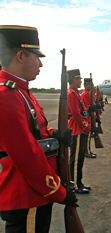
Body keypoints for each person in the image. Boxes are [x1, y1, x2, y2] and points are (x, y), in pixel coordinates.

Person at [0, 25, 77, 232]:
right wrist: (58, 192)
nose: (41, 63)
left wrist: (55, 135)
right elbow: (26, 154)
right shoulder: (7, 95)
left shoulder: (21, 91)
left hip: (37, 191)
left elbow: (36, 134)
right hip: (29, 194)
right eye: (36, 57)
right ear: (20, 56)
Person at [68, 69, 98, 194]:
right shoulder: (71, 94)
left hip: (80, 128)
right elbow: (76, 114)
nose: (81, 81)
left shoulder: (75, 93)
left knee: (80, 158)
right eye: (79, 79)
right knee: (76, 160)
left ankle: (78, 182)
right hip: (77, 128)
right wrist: (88, 127)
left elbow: (81, 110)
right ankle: (75, 184)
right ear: (74, 80)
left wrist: (89, 109)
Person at [81, 78, 97, 158]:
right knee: (88, 137)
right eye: (90, 85)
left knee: (88, 137)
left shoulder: (87, 93)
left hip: (90, 117)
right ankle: (87, 151)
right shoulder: (86, 94)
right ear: (86, 85)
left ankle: (87, 150)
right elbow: (88, 107)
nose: (91, 87)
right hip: (88, 118)